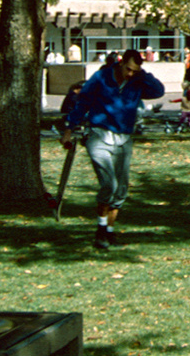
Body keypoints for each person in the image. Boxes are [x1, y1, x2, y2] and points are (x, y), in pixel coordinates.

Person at [61, 50, 165, 249]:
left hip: (123, 137)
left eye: (135, 71)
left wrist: (143, 75)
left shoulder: (137, 81)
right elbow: (83, 102)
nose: (130, 74)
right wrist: (69, 128)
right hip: (99, 135)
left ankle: (109, 230)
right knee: (108, 184)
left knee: (121, 188)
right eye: (128, 69)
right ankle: (100, 229)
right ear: (120, 62)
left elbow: (158, 91)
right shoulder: (101, 77)